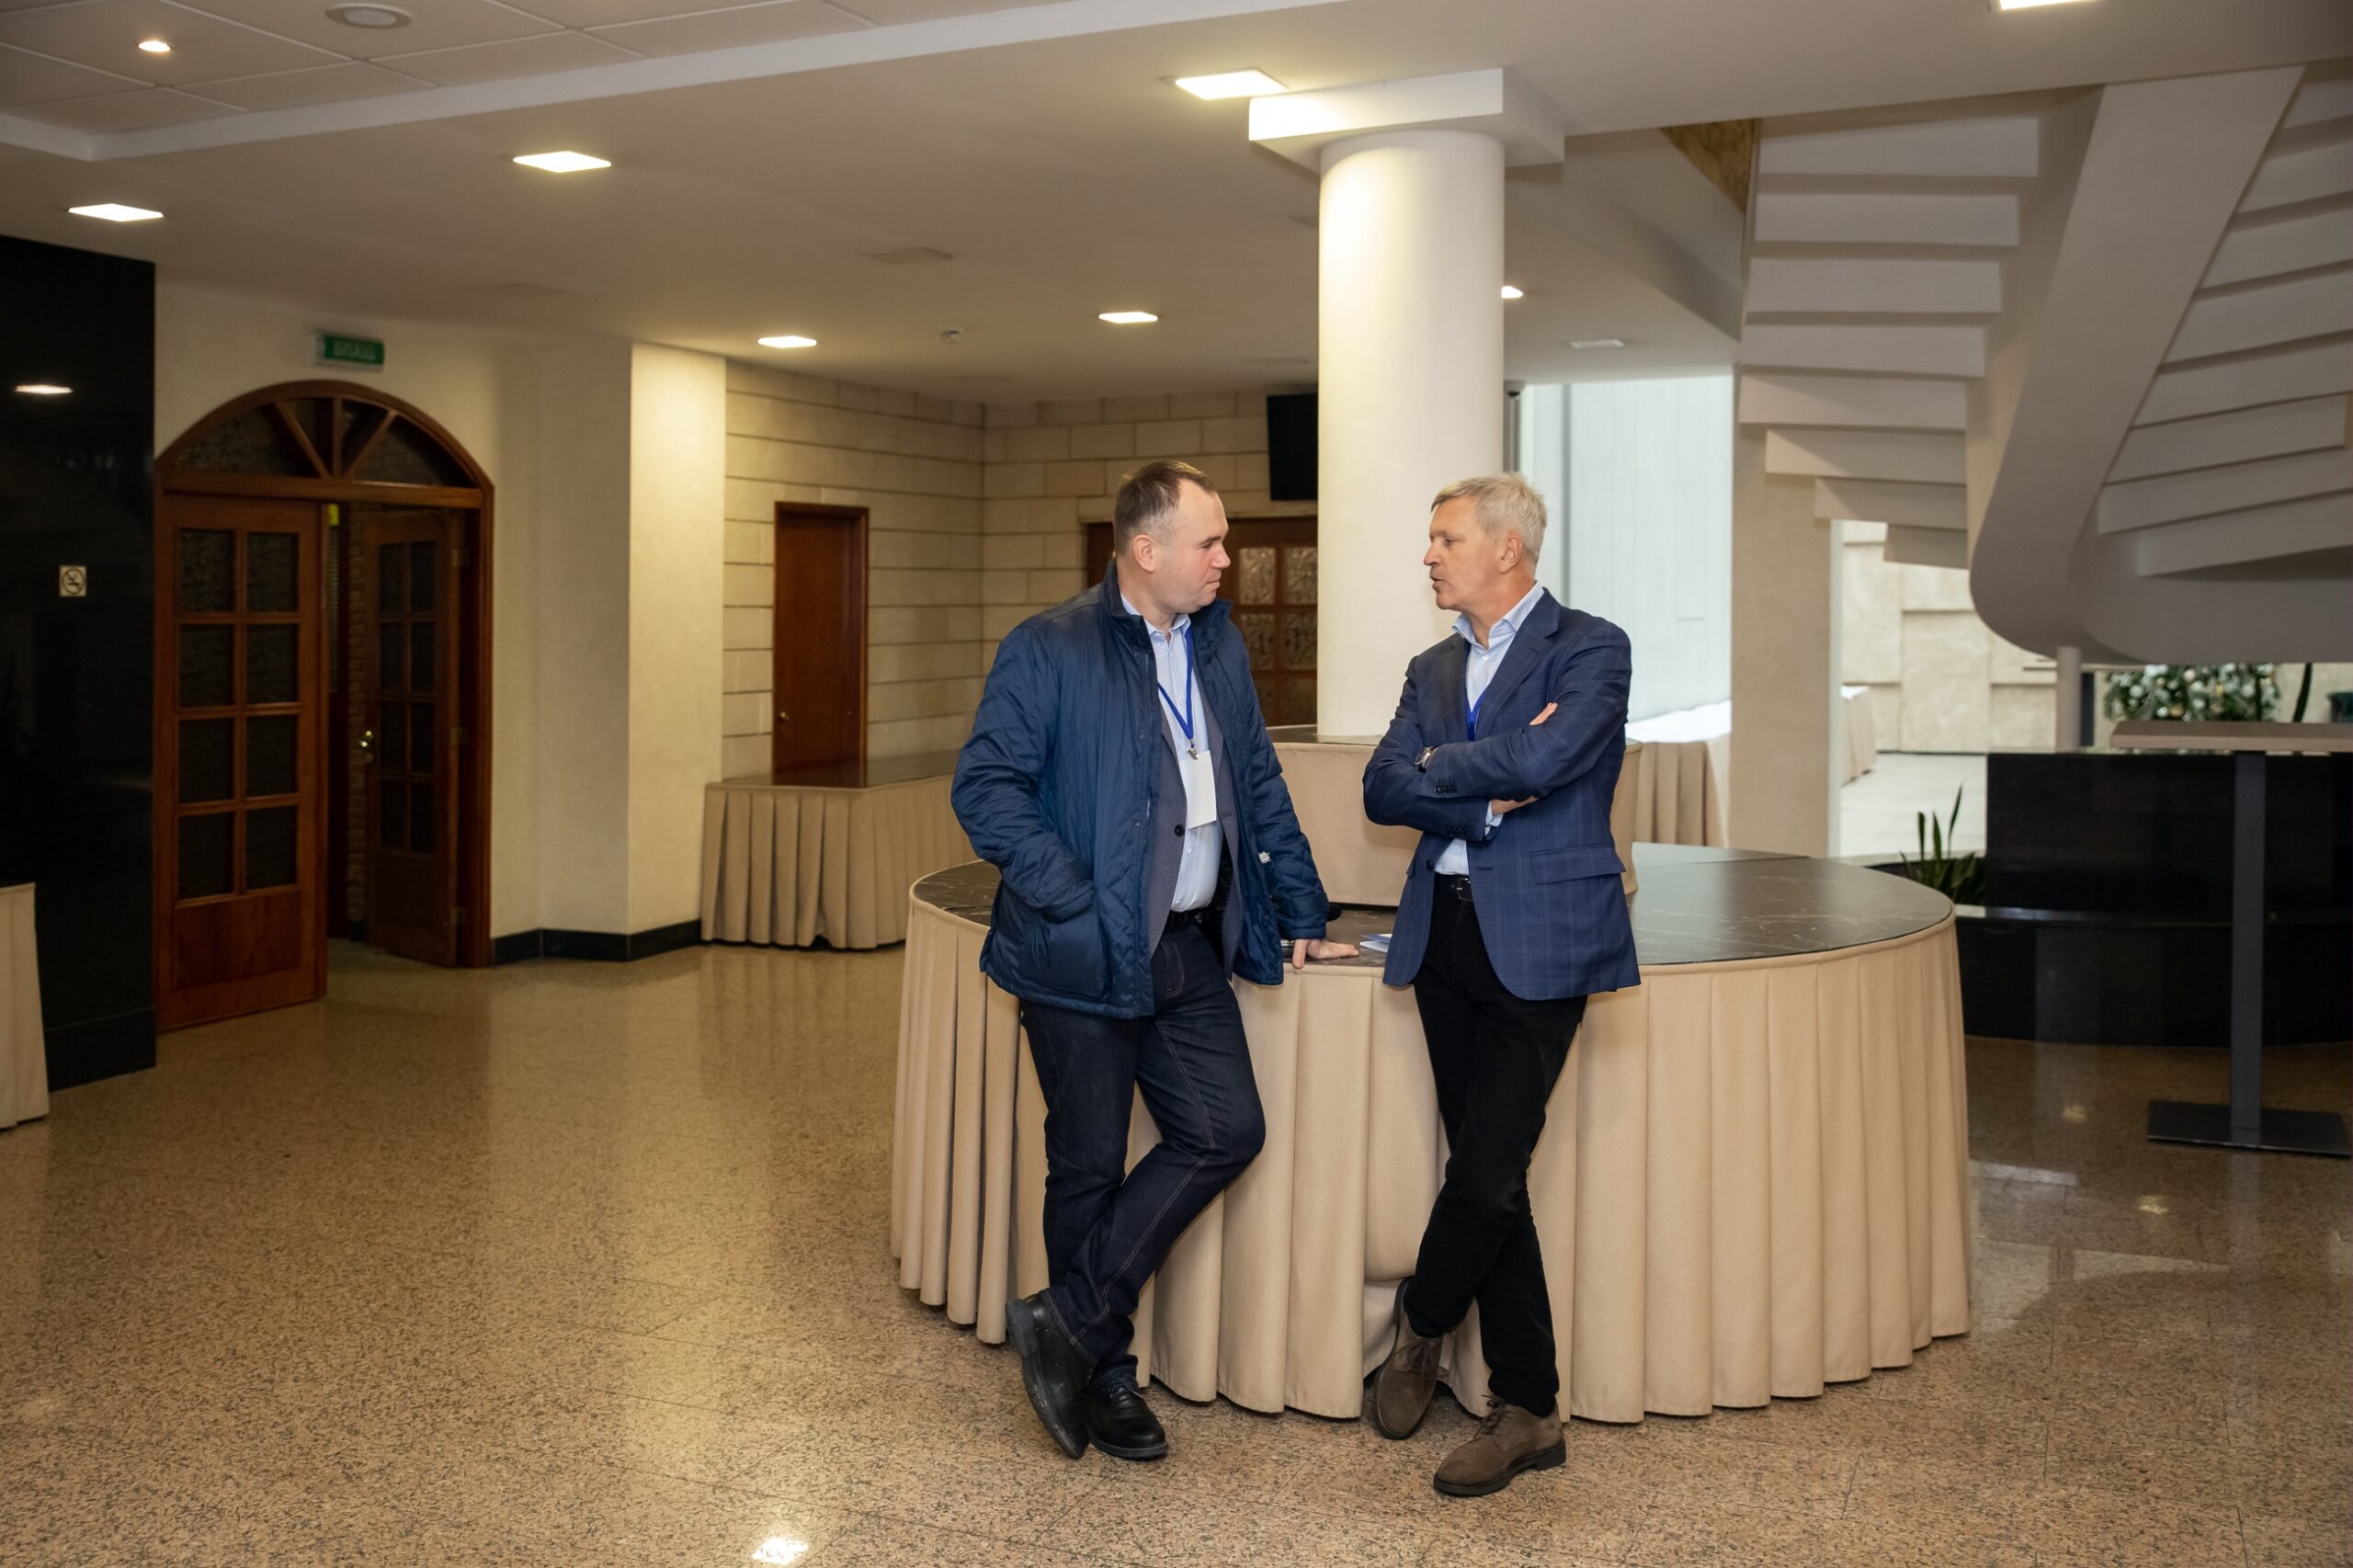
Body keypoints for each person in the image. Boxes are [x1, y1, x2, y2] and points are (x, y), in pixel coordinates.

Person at [952, 459, 1354, 1463]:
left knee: (1225, 1129)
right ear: (1145, 549)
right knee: (1087, 1165)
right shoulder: (1048, 646)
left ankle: (1067, 1320)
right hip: (1081, 955)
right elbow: (986, 788)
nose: (1225, 559)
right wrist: (1079, 896)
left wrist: (1302, 904)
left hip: (1186, 946)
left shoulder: (1217, 646)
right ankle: (1106, 1376)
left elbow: (1257, 780)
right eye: (1208, 542)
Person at [1359, 472, 1639, 1497]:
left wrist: (1438, 763)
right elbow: (1380, 786)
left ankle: (1421, 1323)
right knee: (1498, 1177)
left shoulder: (1590, 647)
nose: (1428, 555)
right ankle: (1530, 1409)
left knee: (1482, 1174)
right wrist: (1479, 793)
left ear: (1507, 548)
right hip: (1443, 939)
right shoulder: (1430, 665)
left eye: (1446, 538)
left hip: (1543, 940)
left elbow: (1553, 755)